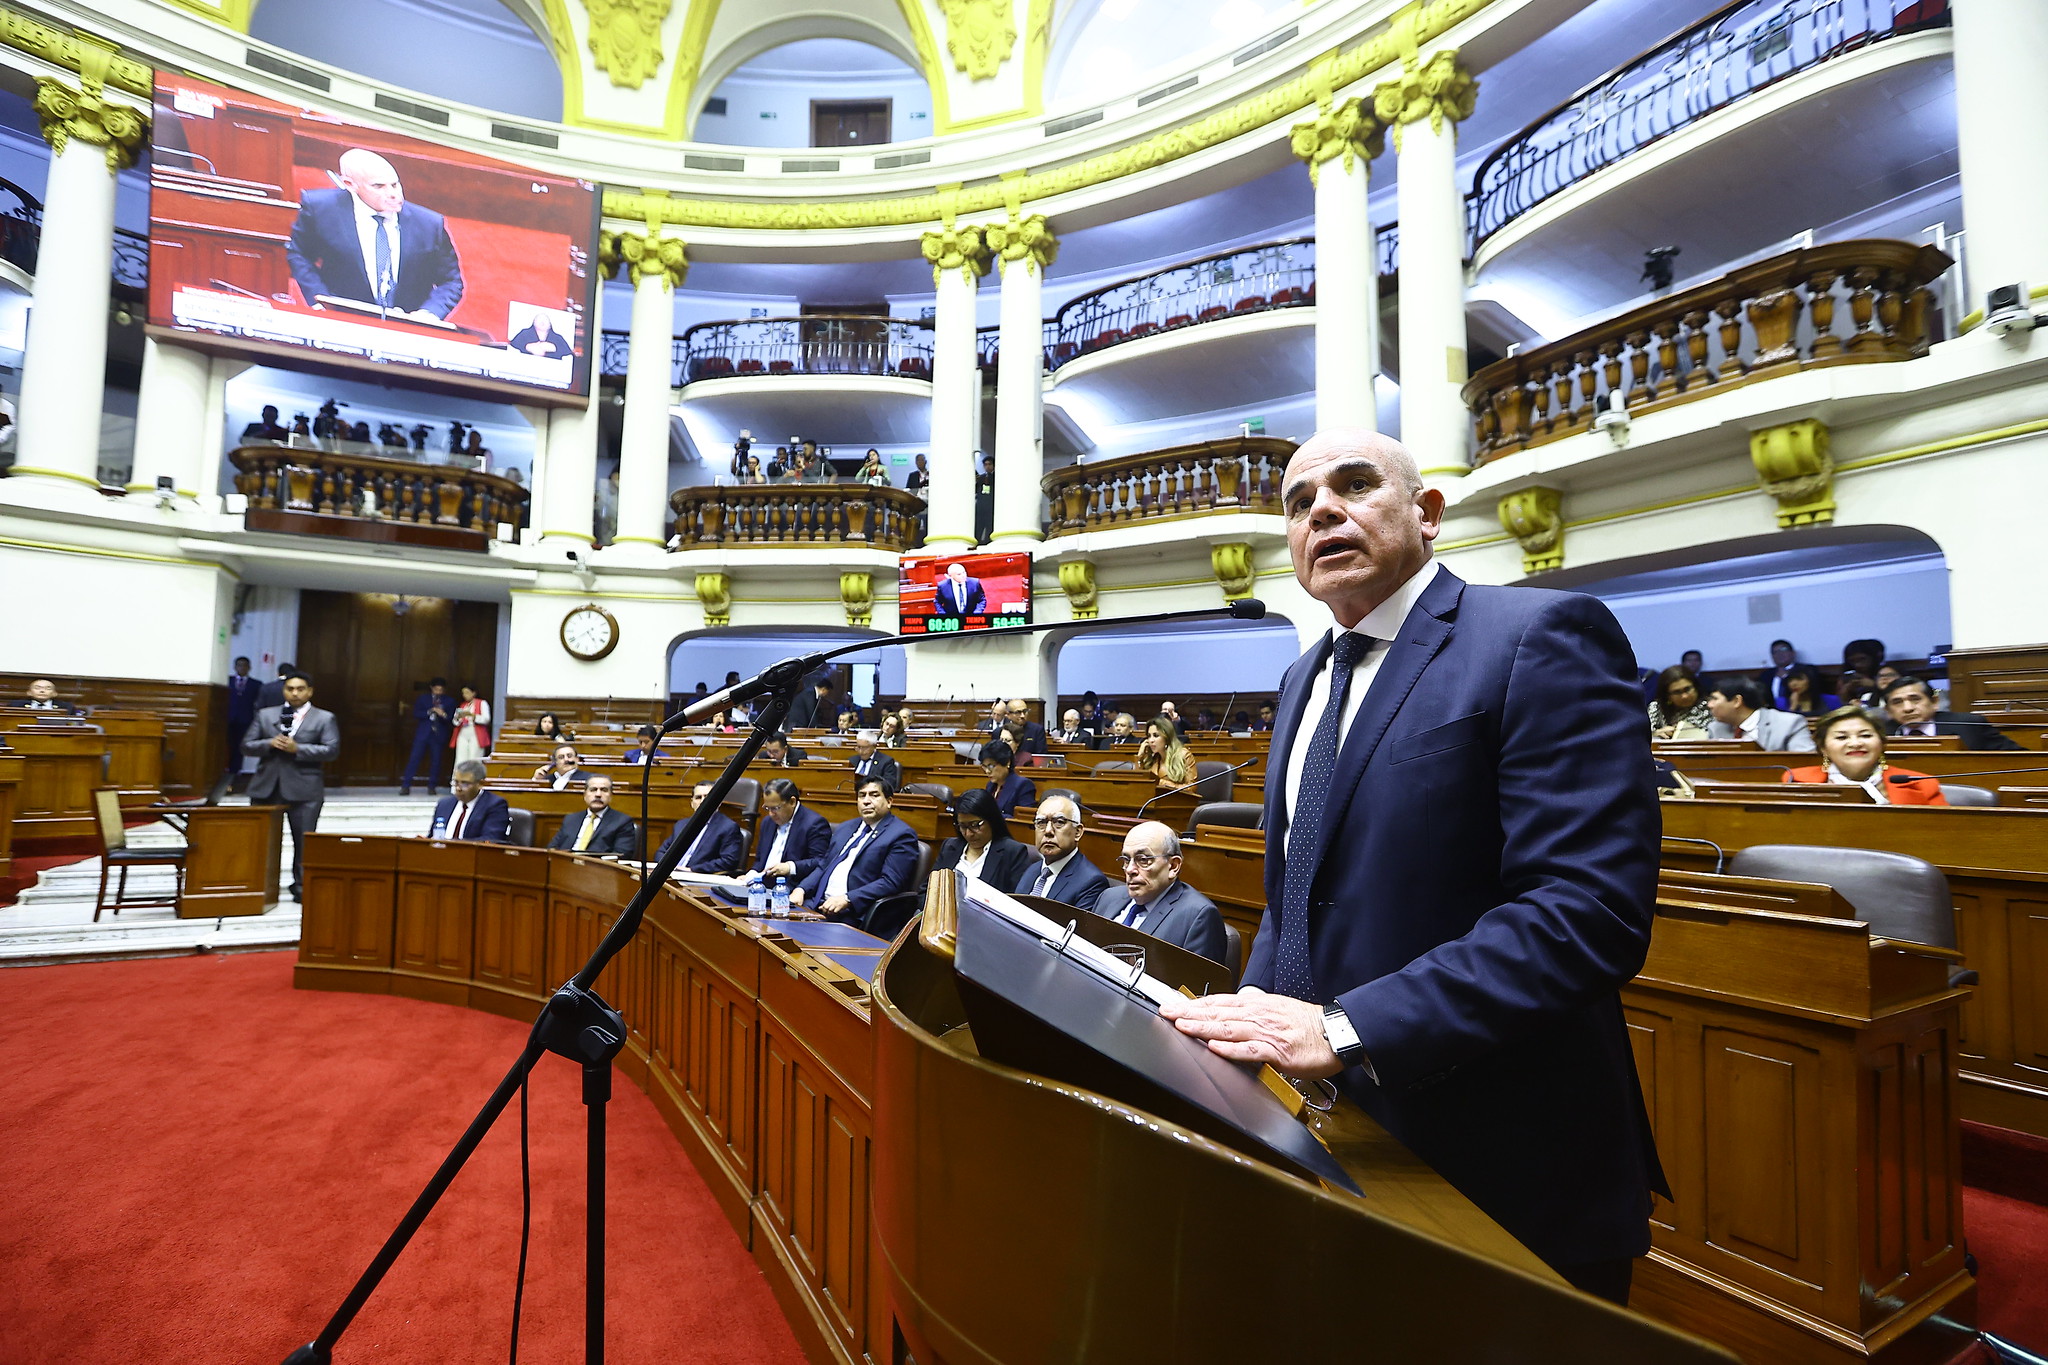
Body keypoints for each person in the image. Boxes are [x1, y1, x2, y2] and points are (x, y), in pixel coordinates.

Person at [1157, 429, 1665, 1305]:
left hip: (1499, 1158)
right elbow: (1298, 892)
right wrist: (1244, 1046)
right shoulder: (1301, 678)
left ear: (1427, 515)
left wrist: (1346, 1030)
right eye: (1298, 500)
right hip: (1332, 1136)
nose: (1322, 508)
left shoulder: (1536, 635)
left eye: (1355, 484)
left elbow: (1586, 912)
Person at [286, 148, 464, 321]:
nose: (393, 194)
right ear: (350, 184)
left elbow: (451, 282)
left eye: (395, 184)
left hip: (406, 329)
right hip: (343, 322)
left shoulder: (429, 224)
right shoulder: (320, 209)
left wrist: (429, 314)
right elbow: (299, 254)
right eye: (378, 186)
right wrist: (321, 299)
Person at [243, 670, 339, 901]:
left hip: (305, 788)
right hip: (267, 786)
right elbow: (246, 745)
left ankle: (302, 887)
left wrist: (299, 749)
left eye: (300, 689)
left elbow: (331, 750)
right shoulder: (266, 715)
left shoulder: (324, 718)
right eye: (290, 689)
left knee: (304, 841)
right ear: (283, 690)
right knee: (262, 842)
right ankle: (260, 887)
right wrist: (269, 743)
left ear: (310, 691)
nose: (295, 693)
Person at [1090, 820, 1227, 961]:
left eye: (1143, 860)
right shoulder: (1107, 897)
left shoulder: (1198, 916)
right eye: (1126, 860)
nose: (1130, 869)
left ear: (1173, 866)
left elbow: (1196, 982)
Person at [790, 776, 919, 924]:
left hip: (853, 913)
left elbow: (890, 882)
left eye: (874, 795)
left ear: (889, 801)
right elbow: (824, 865)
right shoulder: (846, 827)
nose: (866, 801)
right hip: (816, 904)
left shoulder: (901, 834)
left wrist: (848, 898)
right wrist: (801, 889)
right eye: (862, 795)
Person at [1784, 706, 1949, 805]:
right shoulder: (1796, 780)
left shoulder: (1921, 784)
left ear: (1882, 744)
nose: (1855, 743)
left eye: (1865, 736)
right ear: (1824, 748)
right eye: (1842, 737)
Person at [1011, 793, 1113, 906]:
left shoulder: (1091, 882)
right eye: (1041, 823)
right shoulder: (1032, 870)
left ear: (1078, 832)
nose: (1048, 831)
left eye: (1059, 822)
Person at [933, 787, 1035, 890]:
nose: (968, 834)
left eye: (975, 825)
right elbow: (927, 890)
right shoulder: (949, 847)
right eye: (963, 826)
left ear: (991, 820)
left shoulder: (1013, 852)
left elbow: (1018, 899)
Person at [1883, 675, 2024, 750]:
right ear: (1888, 711)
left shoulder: (1969, 725)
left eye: (1915, 699)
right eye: (1897, 702)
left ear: (1934, 702)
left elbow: (2017, 759)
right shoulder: (1880, 734)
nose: (1908, 708)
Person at [750, 778, 833, 883]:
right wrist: (751, 874)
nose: (771, 814)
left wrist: (790, 867)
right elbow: (760, 860)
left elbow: (821, 862)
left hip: (791, 887)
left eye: (775, 808)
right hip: (762, 884)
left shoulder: (815, 824)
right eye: (767, 808)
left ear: (792, 802)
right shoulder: (768, 822)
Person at [656, 780, 747, 873]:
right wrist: (668, 867)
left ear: (719, 801)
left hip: (697, 878)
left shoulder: (728, 827)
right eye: (698, 797)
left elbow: (728, 861)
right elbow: (661, 852)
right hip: (671, 874)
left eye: (707, 796)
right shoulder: (681, 825)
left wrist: (692, 870)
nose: (703, 801)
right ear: (692, 803)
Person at [1704, 680, 1816, 752]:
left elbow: (1806, 765)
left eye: (1714, 699)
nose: (1709, 705)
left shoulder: (1789, 724)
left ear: (1736, 701)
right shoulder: (1716, 728)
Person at [548, 774, 639, 857]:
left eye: (604, 790)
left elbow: (622, 854)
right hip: (564, 866)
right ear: (585, 794)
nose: (598, 794)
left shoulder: (622, 821)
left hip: (598, 870)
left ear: (611, 795)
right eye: (593, 790)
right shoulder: (571, 818)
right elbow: (552, 848)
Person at [428, 760, 512, 841]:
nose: (458, 788)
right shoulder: (444, 804)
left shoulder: (495, 805)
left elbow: (491, 840)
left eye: (465, 783)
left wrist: (452, 844)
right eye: (456, 782)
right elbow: (432, 837)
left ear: (480, 784)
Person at [400, 677, 454, 795]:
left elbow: (451, 719)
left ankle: (432, 786)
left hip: (438, 734)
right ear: (431, 688)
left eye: (440, 690)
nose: (438, 692)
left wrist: (443, 714)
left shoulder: (449, 701)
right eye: (436, 689)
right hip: (423, 733)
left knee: (436, 760)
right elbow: (416, 713)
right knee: (414, 758)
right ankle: (406, 785)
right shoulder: (423, 699)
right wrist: (430, 711)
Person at [1647, 665, 1712, 740]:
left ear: (1696, 687)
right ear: (1667, 695)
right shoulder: (1656, 707)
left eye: (1687, 689)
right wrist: (1656, 734)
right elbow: (1645, 733)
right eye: (1677, 692)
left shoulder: (1709, 706)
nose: (1684, 696)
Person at [978, 739, 1036, 817]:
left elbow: (1024, 819)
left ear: (1007, 762)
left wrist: (993, 817)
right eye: (984, 766)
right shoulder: (990, 786)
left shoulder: (1023, 785)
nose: (987, 771)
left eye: (991, 766)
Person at [1137, 716, 1195, 788]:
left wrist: (1165, 784)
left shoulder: (1184, 755)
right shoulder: (1152, 758)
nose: (1151, 740)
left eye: (1156, 735)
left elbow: (1191, 788)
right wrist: (1139, 757)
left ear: (1167, 737)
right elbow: (1139, 783)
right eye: (1149, 736)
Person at [225, 656, 261, 772]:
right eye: (239, 665)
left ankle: (236, 769)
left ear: (249, 668)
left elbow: (258, 702)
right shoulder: (227, 681)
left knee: (240, 745)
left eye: (245, 665)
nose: (242, 668)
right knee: (227, 743)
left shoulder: (256, 684)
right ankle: (225, 767)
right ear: (235, 667)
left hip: (246, 718)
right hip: (228, 718)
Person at [449, 683, 491, 766]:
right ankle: (459, 777)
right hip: (463, 732)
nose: (465, 695)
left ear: (474, 693)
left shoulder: (482, 703)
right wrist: (458, 718)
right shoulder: (462, 705)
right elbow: (455, 721)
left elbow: (486, 719)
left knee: (474, 757)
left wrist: (472, 716)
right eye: (463, 693)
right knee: (460, 758)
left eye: (467, 692)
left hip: (475, 733)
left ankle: (473, 778)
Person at [1759, 638, 1799, 710]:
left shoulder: (1806, 670)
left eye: (1783, 650)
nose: (1779, 654)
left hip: (1797, 710)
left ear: (1793, 653)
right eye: (1775, 652)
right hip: (1771, 712)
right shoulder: (1766, 675)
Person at [973, 454, 994, 545]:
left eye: (989, 464)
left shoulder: (997, 477)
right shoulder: (980, 478)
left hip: (991, 507)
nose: (987, 466)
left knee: (990, 528)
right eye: (985, 465)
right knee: (978, 527)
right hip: (981, 506)